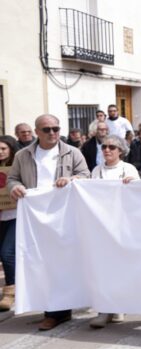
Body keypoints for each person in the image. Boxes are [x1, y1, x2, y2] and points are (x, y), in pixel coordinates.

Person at [7, 114, 90, 330]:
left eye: (56, 128)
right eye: (47, 129)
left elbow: (86, 175)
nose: (52, 133)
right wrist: (14, 188)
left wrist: (72, 179)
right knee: (40, 262)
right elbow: (12, 178)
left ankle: (58, 311)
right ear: (37, 132)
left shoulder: (72, 152)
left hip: (64, 215)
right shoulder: (23, 155)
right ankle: (52, 308)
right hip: (35, 216)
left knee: (62, 262)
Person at [89, 135, 139, 328]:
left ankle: (119, 306)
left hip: (123, 224)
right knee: (103, 267)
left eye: (112, 147)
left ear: (120, 151)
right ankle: (104, 309)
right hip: (102, 225)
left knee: (121, 266)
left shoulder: (129, 169)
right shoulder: (97, 170)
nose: (107, 150)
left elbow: (139, 195)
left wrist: (132, 183)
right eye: (104, 147)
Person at [0, 136, 20, 312]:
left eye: (3, 148)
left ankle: (10, 291)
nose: (0, 152)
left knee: (6, 253)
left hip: (15, 215)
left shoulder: (18, 167)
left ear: (11, 149)